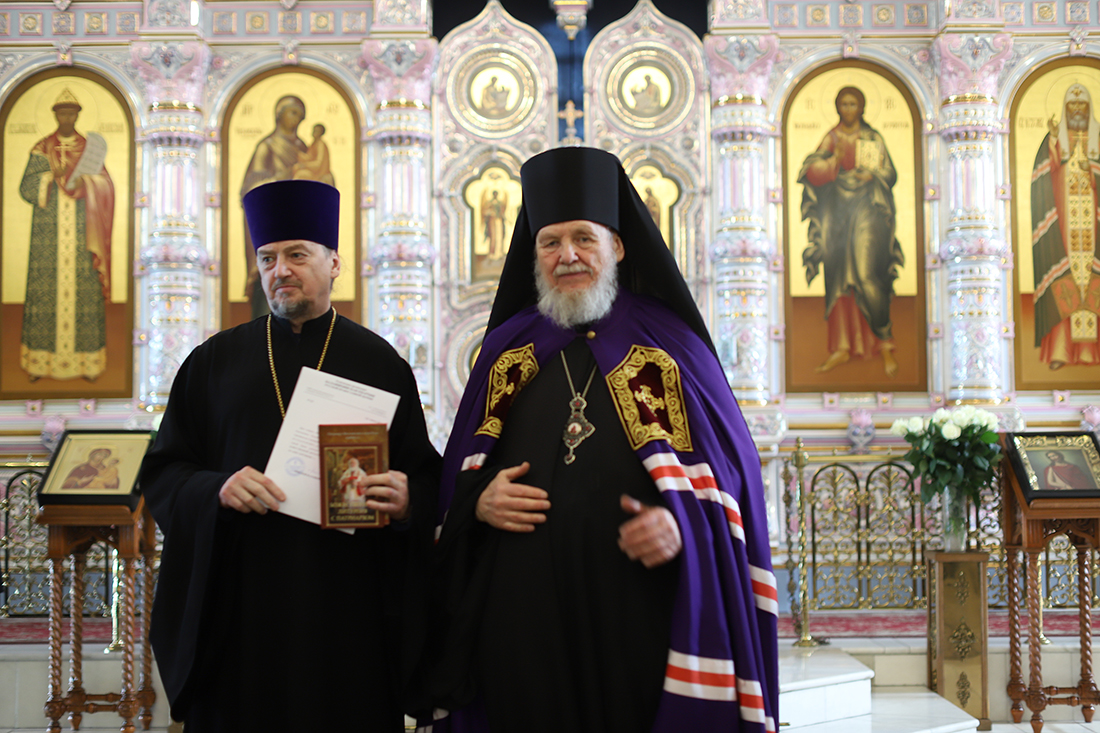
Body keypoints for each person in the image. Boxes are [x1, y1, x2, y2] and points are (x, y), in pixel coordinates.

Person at [424, 148, 778, 733]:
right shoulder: (506, 351)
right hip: (520, 619)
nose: (567, 255)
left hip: (638, 611)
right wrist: (479, 501)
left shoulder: (670, 346)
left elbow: (731, 476)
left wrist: (681, 525)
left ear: (617, 245)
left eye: (583, 239)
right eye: (550, 242)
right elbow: (458, 478)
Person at [140, 179, 441, 732]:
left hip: (349, 612)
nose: (280, 270)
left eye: (297, 255)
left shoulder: (381, 364)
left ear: (334, 263)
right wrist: (216, 488)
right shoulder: (212, 363)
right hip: (241, 613)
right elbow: (164, 472)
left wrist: (406, 501)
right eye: (268, 258)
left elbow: (424, 479)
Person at [799, 86, 904, 377]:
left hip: (868, 210)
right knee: (837, 278)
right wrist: (834, 160)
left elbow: (890, 173)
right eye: (843, 104)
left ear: (862, 107)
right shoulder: (832, 137)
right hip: (837, 213)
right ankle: (842, 347)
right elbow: (811, 171)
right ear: (837, 107)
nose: (848, 109)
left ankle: (884, 342)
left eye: (853, 104)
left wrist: (873, 174)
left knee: (866, 274)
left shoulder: (872, 137)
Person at [18, 88, 114, 382]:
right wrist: (51, 176)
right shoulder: (41, 148)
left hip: (83, 231)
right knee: (45, 289)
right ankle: (39, 363)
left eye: (72, 113)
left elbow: (106, 185)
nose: (67, 118)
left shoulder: (89, 148)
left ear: (77, 116)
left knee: (84, 290)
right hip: (48, 231)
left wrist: (86, 182)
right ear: (56, 115)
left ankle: (87, 364)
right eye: (62, 113)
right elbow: (26, 187)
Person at [1030, 83, 1100, 369]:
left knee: (1092, 281)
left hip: (1093, 228)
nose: (1078, 112)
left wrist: (1092, 172)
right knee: (1065, 281)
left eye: (1082, 106)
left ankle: (1091, 353)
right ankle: (1061, 351)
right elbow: (1043, 178)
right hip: (1064, 228)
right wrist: (1053, 148)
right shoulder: (1054, 138)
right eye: (1073, 106)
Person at [240, 95, 309, 319]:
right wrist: (281, 178)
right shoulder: (267, 146)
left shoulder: (303, 147)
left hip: (301, 221)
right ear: (279, 115)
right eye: (293, 113)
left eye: (300, 115)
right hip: (271, 223)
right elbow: (251, 188)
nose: (297, 119)